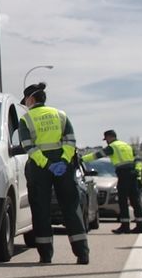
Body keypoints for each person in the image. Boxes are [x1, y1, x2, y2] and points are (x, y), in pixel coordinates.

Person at [17, 83, 89, 265]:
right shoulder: (61, 115)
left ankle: (46, 255)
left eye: (26, 101)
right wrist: (63, 161)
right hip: (64, 166)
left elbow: (28, 147)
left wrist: (47, 164)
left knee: (41, 209)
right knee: (71, 208)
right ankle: (82, 254)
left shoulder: (27, 119)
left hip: (40, 168)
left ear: (31, 99)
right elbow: (71, 141)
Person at [83, 130, 142, 234]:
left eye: (106, 139)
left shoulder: (113, 147)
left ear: (109, 137)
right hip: (133, 174)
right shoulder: (127, 146)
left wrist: (81, 158)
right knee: (135, 200)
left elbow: (96, 155)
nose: (106, 141)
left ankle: (125, 226)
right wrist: (138, 175)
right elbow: (138, 160)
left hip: (123, 174)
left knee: (123, 200)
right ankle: (141, 226)